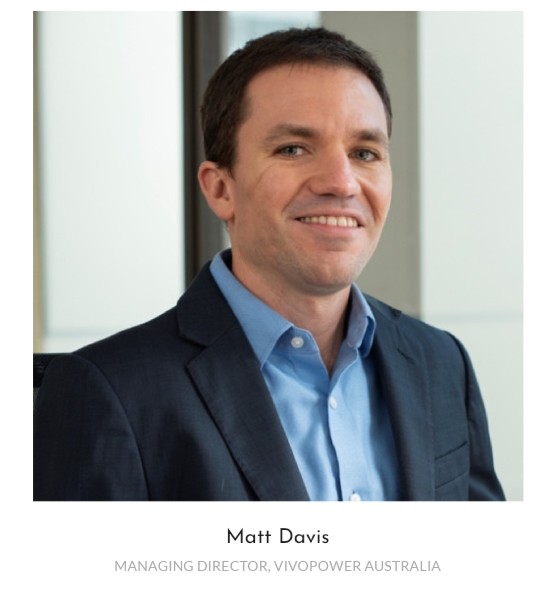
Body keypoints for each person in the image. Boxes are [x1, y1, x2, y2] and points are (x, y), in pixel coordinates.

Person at [34, 27, 504, 501]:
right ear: (221, 189)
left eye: (364, 153)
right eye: (293, 149)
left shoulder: (441, 364)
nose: (342, 183)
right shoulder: (110, 391)